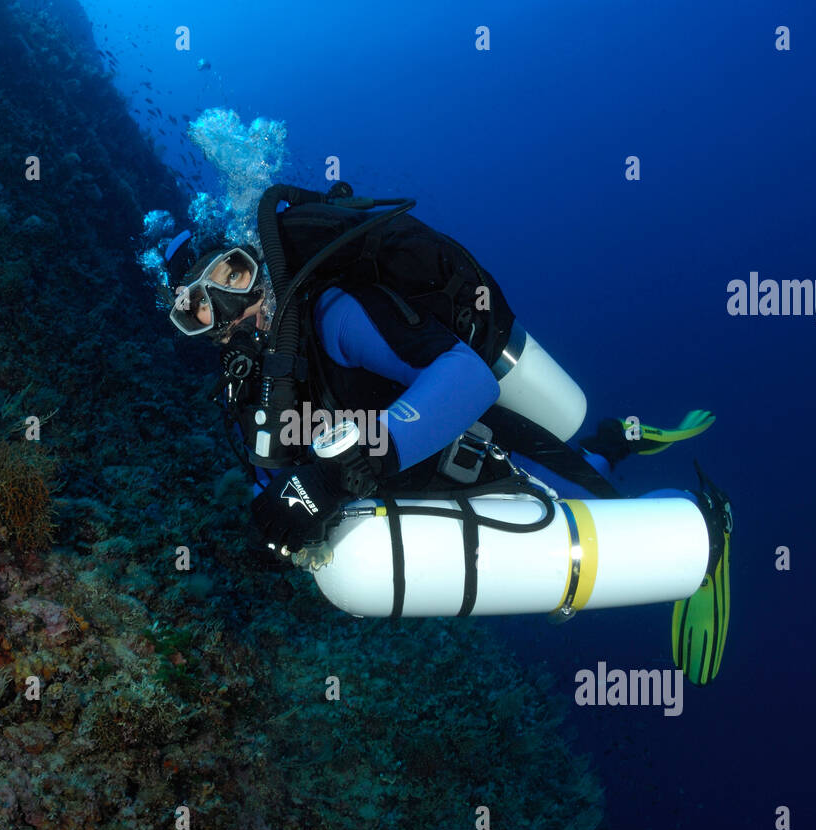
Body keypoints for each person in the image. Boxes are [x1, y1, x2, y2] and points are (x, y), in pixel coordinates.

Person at [162, 225, 731, 683]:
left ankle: (708, 526)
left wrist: (346, 469)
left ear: (258, 263)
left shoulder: (330, 314)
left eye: (232, 274)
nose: (227, 306)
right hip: (427, 502)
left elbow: (468, 378)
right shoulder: (246, 391)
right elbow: (280, 478)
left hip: (490, 454)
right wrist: (282, 514)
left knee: (604, 526)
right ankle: (612, 441)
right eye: (198, 308)